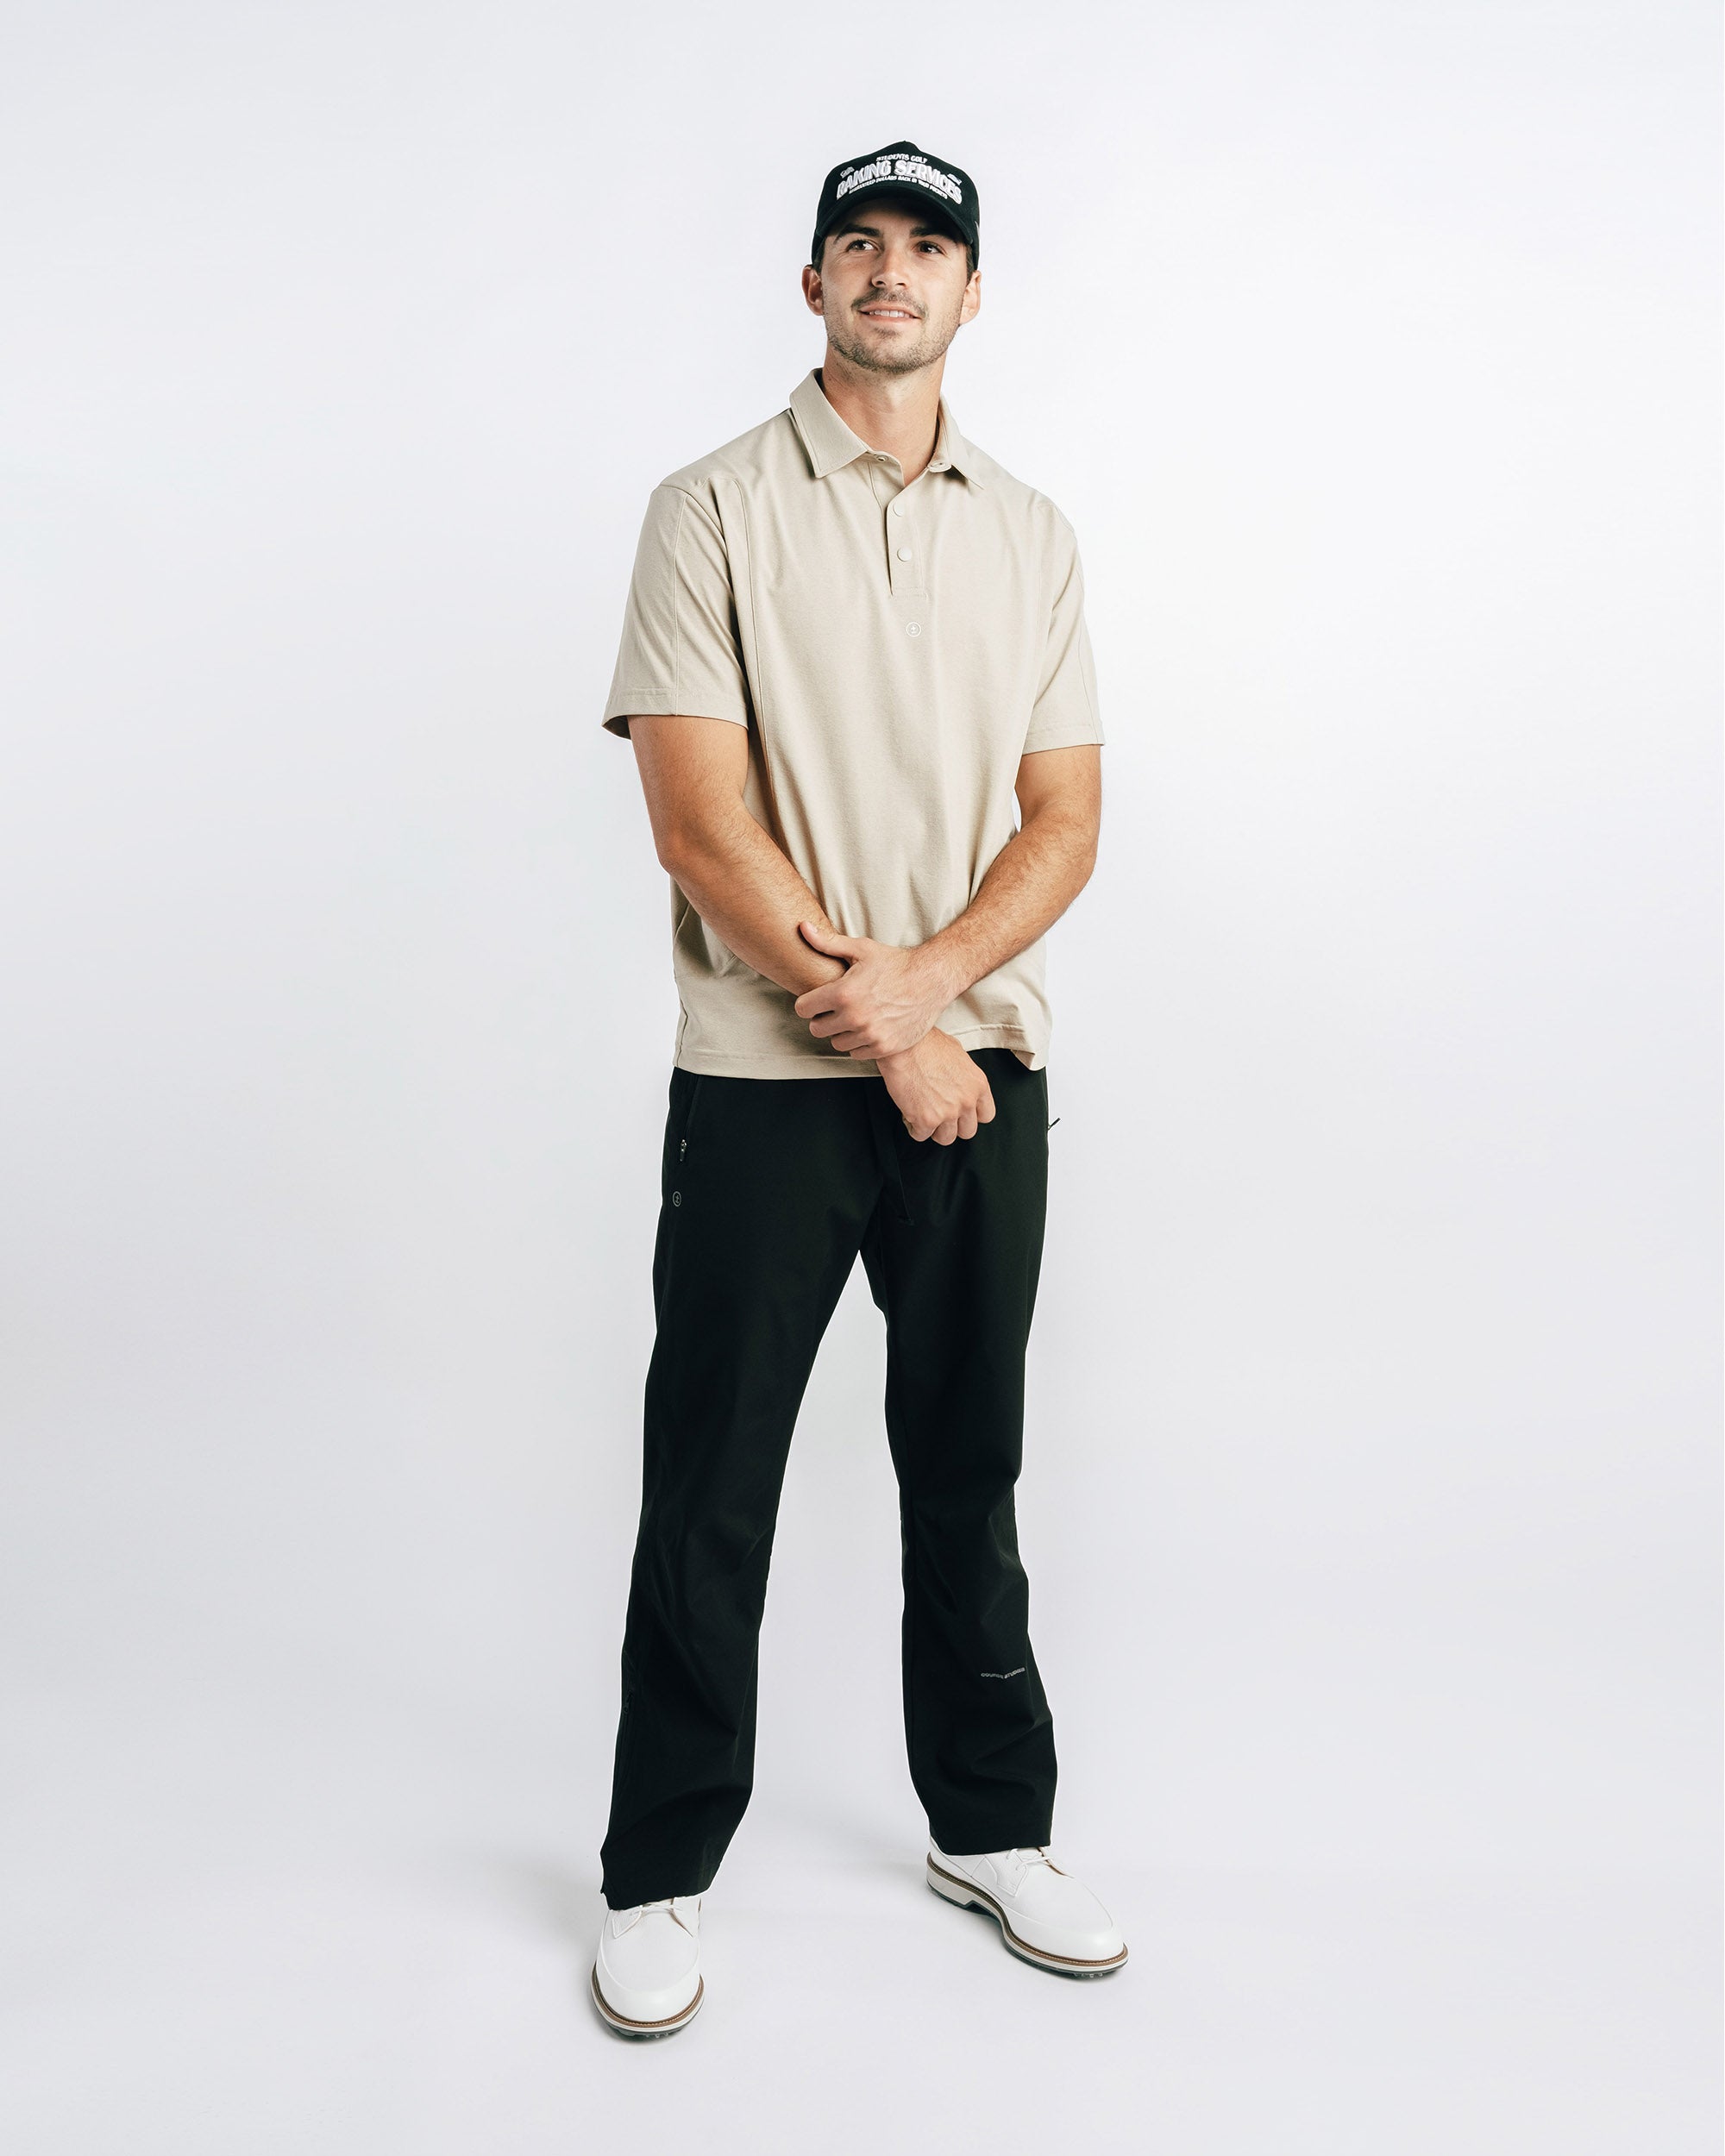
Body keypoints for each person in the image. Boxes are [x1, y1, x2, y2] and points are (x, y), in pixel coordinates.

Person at [589, 141, 1124, 2038]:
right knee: (712, 1474)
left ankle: (992, 1824)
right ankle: (656, 1862)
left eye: (928, 248)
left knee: (966, 1462)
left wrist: (940, 995)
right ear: (812, 285)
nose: (891, 272)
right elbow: (694, 819)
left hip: (987, 1068)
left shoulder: (1032, 530)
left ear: (973, 293)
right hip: (766, 1075)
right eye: (857, 244)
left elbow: (1062, 819)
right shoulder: (709, 508)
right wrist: (887, 1021)